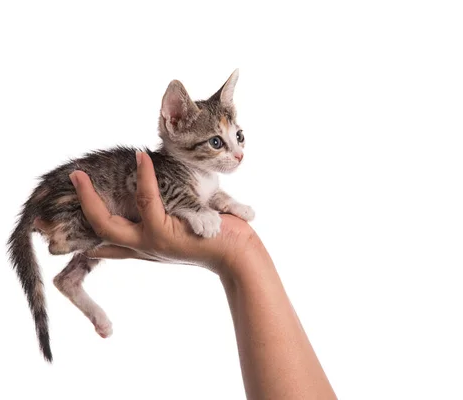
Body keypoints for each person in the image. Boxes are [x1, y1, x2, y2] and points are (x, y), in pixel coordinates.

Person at [67, 152, 337, 400]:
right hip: (87, 198)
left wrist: (237, 242)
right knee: (96, 235)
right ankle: (65, 241)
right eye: (218, 143)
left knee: (100, 240)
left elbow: (204, 197)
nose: (238, 153)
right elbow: (164, 190)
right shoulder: (177, 169)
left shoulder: (205, 178)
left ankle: (70, 268)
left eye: (239, 137)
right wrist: (233, 240)